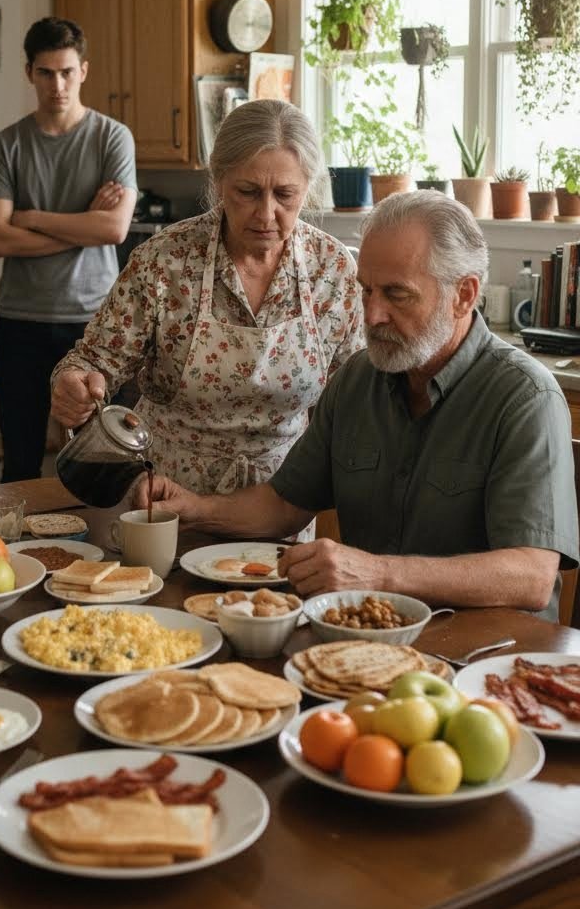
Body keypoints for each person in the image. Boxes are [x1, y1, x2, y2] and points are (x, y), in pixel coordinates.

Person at [141, 191, 578, 618]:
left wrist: (379, 574)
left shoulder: (524, 398)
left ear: (463, 294)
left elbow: (532, 577)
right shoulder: (357, 379)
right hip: (363, 637)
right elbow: (283, 505)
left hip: (484, 659)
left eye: (397, 294)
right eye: (366, 291)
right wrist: (196, 509)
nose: (372, 316)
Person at [52, 100, 364, 496]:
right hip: (169, 495)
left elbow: (354, 396)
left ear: (308, 187)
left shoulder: (332, 270)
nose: (266, 214)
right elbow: (94, 360)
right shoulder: (165, 260)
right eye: (248, 192)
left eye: (285, 194)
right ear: (218, 181)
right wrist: (73, 383)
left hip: (285, 500)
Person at [0, 15, 137, 482]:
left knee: (101, 461)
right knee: (21, 461)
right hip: (21, 322)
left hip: (95, 325)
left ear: (84, 70)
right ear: (30, 73)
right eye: (46, 73)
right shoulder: (6, 145)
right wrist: (81, 221)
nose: (58, 85)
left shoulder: (113, 137)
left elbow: (113, 229)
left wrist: (32, 217)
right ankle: (19, 555)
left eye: (67, 72)